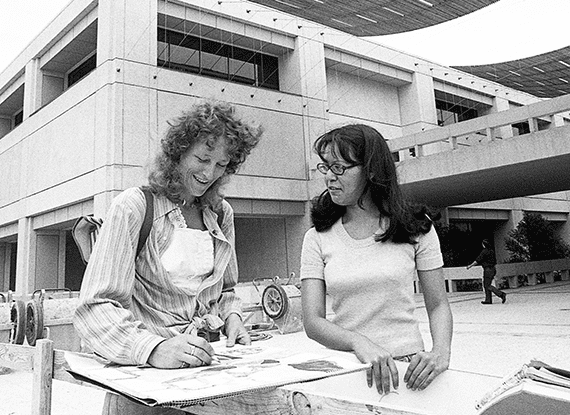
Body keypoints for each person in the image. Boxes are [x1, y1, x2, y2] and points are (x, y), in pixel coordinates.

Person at [74, 101, 262, 415]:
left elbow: (225, 291)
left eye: (221, 164)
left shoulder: (220, 213)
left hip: (207, 381)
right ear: (178, 152)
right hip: (144, 388)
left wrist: (232, 318)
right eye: (202, 158)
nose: (208, 173)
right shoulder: (134, 206)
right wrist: (154, 348)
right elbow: (95, 307)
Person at [300, 124, 453, 395]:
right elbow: (313, 321)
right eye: (326, 167)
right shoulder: (317, 237)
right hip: (348, 370)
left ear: (371, 170)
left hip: (410, 373)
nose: (329, 178)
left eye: (339, 168)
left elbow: (438, 304)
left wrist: (440, 352)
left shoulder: (416, 227)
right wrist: (358, 342)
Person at [466, 239, 507, 304]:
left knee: (487, 285)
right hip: (493, 269)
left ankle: (501, 294)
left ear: (484, 245)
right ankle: (488, 300)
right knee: (487, 285)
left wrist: (470, 266)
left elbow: (477, 260)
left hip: (488, 270)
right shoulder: (491, 251)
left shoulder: (484, 252)